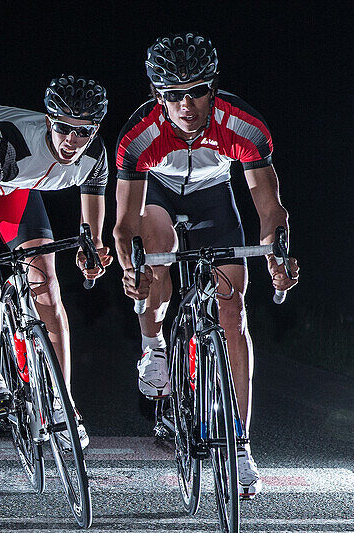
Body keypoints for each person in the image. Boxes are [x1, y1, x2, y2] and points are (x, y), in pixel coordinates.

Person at [112, 34, 299, 496]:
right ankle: (154, 345)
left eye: (196, 91)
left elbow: (267, 204)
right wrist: (130, 269)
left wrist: (278, 254)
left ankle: (238, 446)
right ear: (158, 96)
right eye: (173, 95)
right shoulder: (138, 137)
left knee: (234, 315)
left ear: (212, 88)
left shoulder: (244, 126)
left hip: (215, 200)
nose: (186, 105)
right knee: (155, 257)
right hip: (156, 199)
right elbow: (123, 224)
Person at [0, 75, 113, 448]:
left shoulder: (96, 157)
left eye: (83, 132)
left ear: (95, 130)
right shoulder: (10, 146)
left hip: (15, 183)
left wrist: (90, 255)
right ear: (49, 120)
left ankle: (63, 407)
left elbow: (91, 234)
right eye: (63, 128)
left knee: (47, 283)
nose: (71, 142)